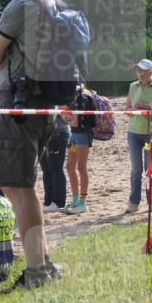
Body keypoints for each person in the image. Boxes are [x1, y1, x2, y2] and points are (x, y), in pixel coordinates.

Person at [0, 0, 68, 287]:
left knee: (17, 187)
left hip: (18, 105)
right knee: (24, 186)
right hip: (43, 105)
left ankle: (37, 271)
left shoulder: (21, 5)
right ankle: (45, 264)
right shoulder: (53, 1)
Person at [124, 59, 152, 216]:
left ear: (151, 72)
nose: (139, 73)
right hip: (134, 132)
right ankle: (134, 202)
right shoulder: (132, 86)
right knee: (136, 169)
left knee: (151, 169)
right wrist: (134, 109)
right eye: (138, 70)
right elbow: (127, 110)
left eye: (142, 71)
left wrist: (151, 109)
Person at [62, 86, 95, 214]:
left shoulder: (81, 98)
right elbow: (65, 116)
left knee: (81, 167)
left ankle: (83, 202)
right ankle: (75, 201)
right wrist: (68, 117)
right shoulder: (73, 96)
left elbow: (72, 121)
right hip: (74, 135)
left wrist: (67, 117)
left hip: (82, 135)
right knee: (70, 167)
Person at [39, 114, 70, 213]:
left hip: (58, 132)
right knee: (46, 169)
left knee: (55, 168)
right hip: (43, 133)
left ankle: (58, 202)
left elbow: (67, 116)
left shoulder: (59, 98)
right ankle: (48, 201)